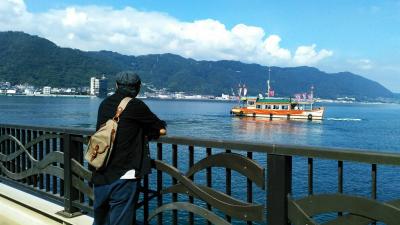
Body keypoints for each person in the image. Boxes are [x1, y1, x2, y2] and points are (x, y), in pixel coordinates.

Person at [92, 71, 166, 225]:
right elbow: (159, 127)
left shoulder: (104, 103)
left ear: (116, 85)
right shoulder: (136, 105)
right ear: (138, 88)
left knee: (101, 219)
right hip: (124, 174)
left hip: (100, 170)